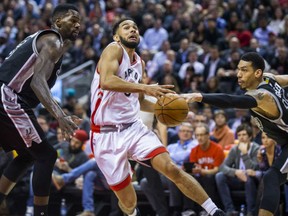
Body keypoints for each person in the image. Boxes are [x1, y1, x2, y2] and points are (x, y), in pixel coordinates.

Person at [89, 17, 225, 216]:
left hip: (133, 128)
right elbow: (107, 81)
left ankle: (214, 211)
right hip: (105, 134)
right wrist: (145, 87)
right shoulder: (113, 49)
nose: (132, 30)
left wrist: (171, 106)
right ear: (116, 36)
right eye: (126, 27)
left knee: (172, 169)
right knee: (129, 203)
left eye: (135, 27)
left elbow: (141, 101)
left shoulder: (139, 63)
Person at [182, 51, 288, 216]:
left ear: (257, 73)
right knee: (272, 178)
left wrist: (200, 96)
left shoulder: (262, 97)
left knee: (271, 177)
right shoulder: (269, 78)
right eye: (238, 69)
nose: (238, 74)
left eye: (244, 70)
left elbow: (230, 101)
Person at [0, 4, 82, 216]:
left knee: (28, 155)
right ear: (57, 22)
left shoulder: (49, 43)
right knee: (46, 155)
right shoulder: (52, 40)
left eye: (79, 21)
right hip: (8, 97)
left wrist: (60, 113)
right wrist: (60, 115)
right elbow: (37, 82)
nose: (78, 24)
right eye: (72, 20)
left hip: (9, 98)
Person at [215, 124, 260, 216]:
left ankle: (250, 211)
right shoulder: (234, 149)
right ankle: (230, 210)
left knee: (249, 177)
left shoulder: (256, 148)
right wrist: (235, 172)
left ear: (250, 136)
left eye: (244, 135)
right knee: (219, 176)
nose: (241, 137)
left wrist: (244, 154)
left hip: (252, 179)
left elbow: (254, 168)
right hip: (237, 178)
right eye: (239, 135)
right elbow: (222, 167)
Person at [189, 123, 225, 214]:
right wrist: (193, 170)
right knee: (189, 179)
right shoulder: (194, 150)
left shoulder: (217, 148)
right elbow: (193, 167)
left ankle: (208, 210)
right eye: (197, 135)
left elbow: (217, 169)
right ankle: (188, 210)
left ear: (208, 135)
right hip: (200, 176)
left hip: (213, 176)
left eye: (202, 135)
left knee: (207, 178)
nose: (199, 138)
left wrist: (202, 171)